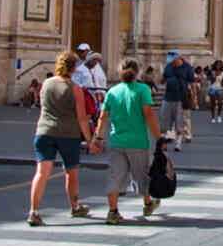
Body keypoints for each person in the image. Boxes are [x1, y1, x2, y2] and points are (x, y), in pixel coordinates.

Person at [90, 58, 161, 225]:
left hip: (117, 141)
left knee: (115, 176)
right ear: (137, 72)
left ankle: (113, 211)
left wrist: (98, 138)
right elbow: (148, 114)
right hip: (138, 141)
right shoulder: (143, 89)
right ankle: (148, 203)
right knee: (142, 175)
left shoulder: (112, 92)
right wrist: (159, 136)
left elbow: (103, 117)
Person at [27, 52, 94, 226]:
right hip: (68, 134)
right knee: (71, 172)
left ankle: (33, 211)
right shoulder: (75, 88)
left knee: (41, 173)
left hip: (44, 131)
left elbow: (42, 105)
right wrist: (89, 140)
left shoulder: (46, 84)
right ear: (73, 68)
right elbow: (81, 117)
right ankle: (75, 206)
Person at [160, 51, 194, 150]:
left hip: (181, 98)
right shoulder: (168, 67)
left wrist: (195, 97)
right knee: (167, 120)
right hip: (168, 97)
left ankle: (178, 144)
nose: (172, 63)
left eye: (173, 60)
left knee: (179, 121)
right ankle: (170, 137)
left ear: (178, 58)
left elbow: (192, 83)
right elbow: (164, 78)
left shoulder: (187, 67)